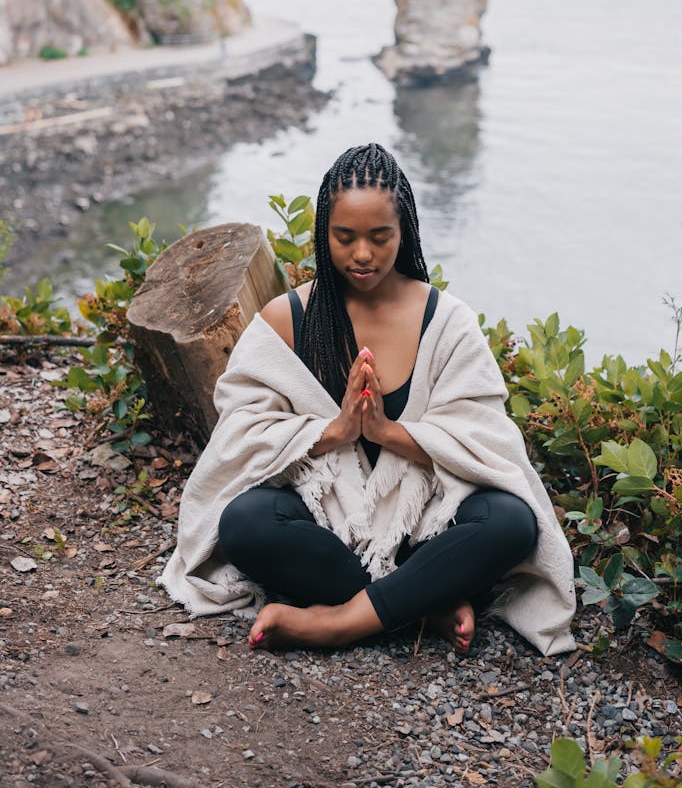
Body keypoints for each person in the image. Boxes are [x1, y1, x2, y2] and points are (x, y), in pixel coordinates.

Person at [159, 144, 576, 656]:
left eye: (380, 237)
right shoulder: (289, 318)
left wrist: (385, 432)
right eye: (345, 237)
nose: (362, 254)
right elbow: (239, 438)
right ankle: (426, 600)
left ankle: (338, 624)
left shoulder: (445, 323)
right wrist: (333, 431)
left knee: (512, 521)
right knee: (244, 523)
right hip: (329, 526)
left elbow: (487, 445)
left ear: (405, 233)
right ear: (322, 234)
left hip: (425, 524)